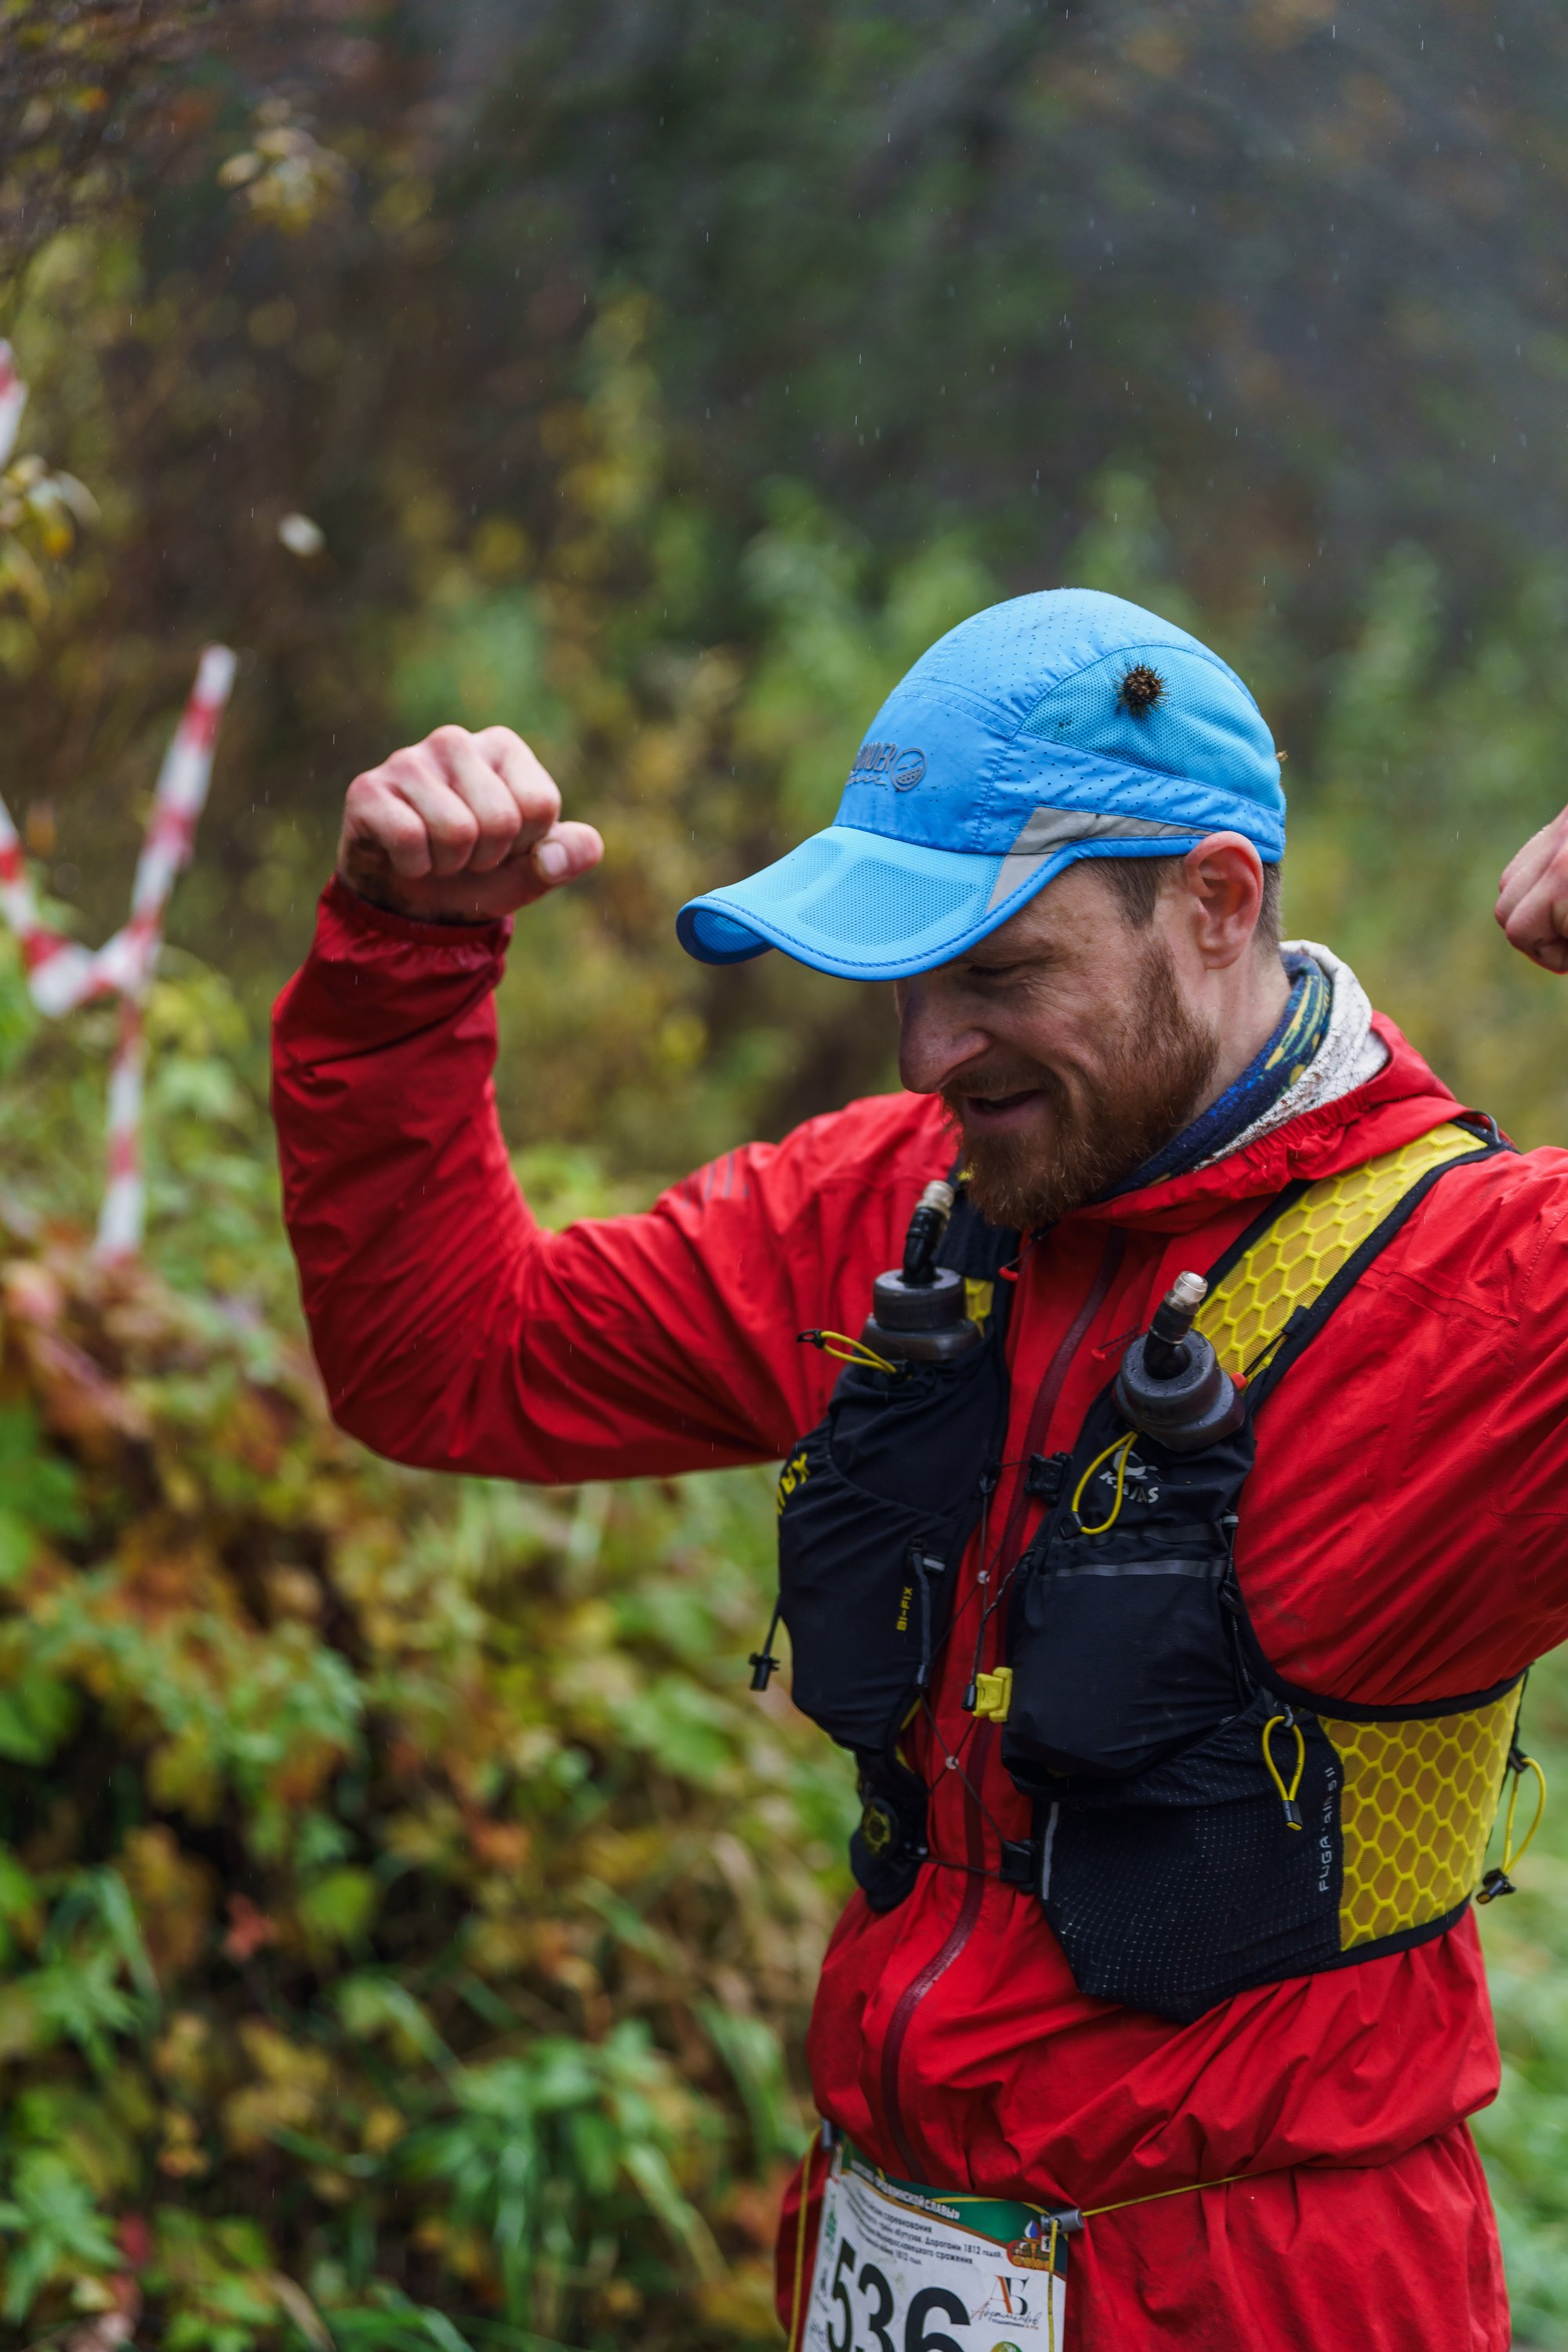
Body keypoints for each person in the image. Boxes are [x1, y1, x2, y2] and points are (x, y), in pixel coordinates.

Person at [272, 587, 1568, 2350]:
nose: (928, 1052)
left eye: (1002, 975)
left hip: (1265, 2291)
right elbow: (455, 1363)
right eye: (908, 981)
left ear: (1214, 901)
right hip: (882, 2232)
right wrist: (403, 962)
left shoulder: (1476, 1301)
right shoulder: (905, 1205)